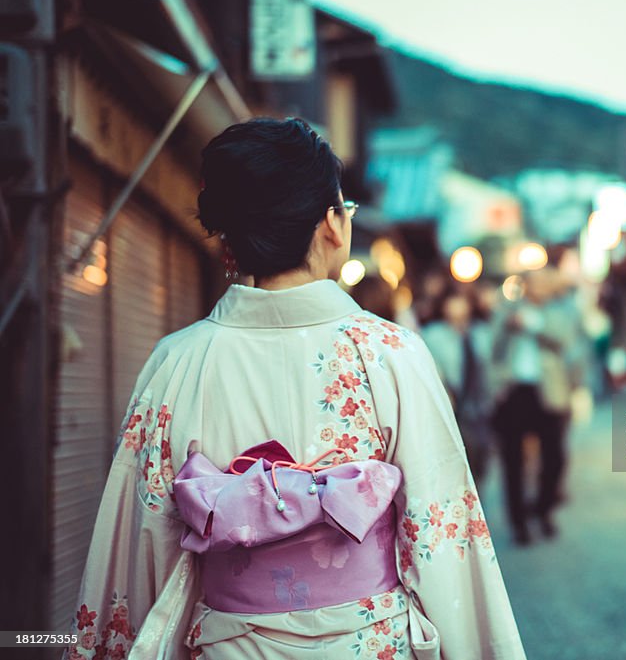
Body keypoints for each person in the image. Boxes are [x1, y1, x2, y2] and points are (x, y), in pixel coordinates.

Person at [65, 118, 525, 660]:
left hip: (228, 645)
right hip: (367, 643)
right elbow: (443, 532)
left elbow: (143, 537)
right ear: (332, 225)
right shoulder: (389, 353)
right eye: (344, 209)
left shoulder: (177, 362)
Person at [491, 268, 570, 544]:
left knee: (555, 458)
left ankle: (543, 509)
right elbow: (492, 349)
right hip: (514, 390)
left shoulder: (558, 312)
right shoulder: (507, 310)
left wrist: (534, 326)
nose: (536, 287)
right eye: (532, 282)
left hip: (548, 391)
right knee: (512, 461)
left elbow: (566, 340)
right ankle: (518, 522)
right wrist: (509, 326)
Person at [420, 284, 494, 483]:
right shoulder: (432, 335)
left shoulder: (482, 333)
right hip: (451, 408)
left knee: (481, 462)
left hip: (481, 409)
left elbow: (493, 366)